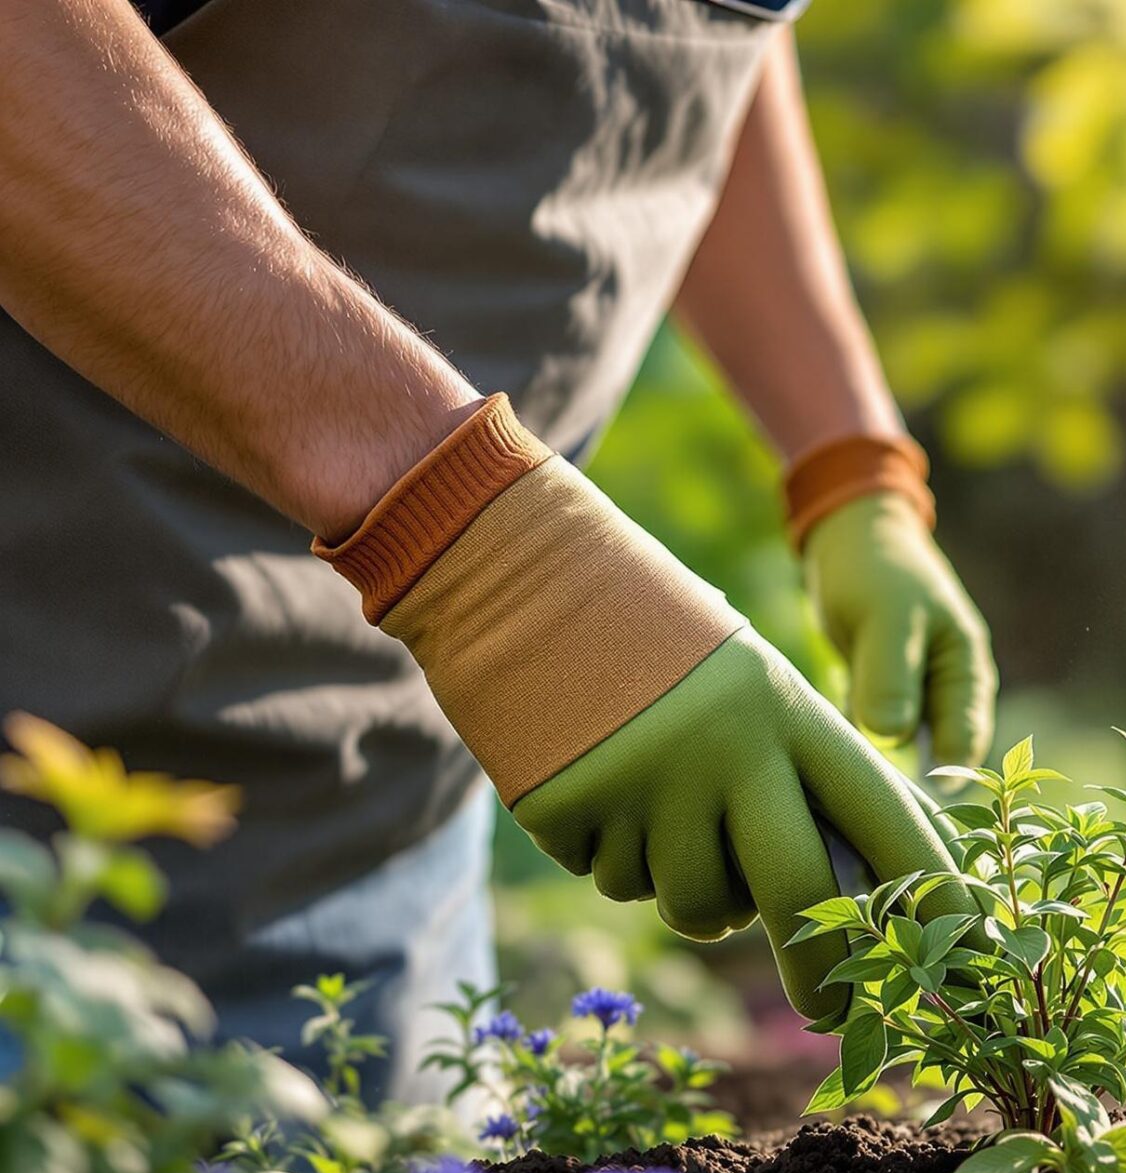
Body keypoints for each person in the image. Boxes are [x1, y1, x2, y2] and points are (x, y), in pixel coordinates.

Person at [0, 0, 998, 1098]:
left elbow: (687, 36)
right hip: (46, 738)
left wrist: (845, 459)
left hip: (385, 810)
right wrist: (486, 553)